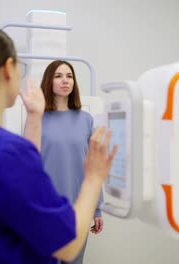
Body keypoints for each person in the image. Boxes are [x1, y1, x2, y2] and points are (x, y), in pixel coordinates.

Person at [0, 24, 117, 264]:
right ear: (8, 69)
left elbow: (22, 177)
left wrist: (34, 118)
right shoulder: (6, 151)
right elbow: (67, 246)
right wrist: (94, 179)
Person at [39, 60, 104, 264]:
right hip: (47, 208)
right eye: (58, 76)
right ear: (49, 81)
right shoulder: (37, 118)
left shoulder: (86, 120)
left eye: (69, 76)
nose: (65, 81)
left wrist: (97, 208)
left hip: (79, 208)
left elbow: (93, 166)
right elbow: (30, 167)